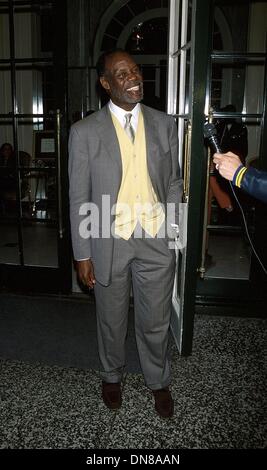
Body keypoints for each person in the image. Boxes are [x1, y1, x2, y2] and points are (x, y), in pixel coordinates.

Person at [68, 49, 183, 418]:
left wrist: (173, 232)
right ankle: (111, 375)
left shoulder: (165, 124)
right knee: (111, 317)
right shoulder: (84, 132)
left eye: (135, 70)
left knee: (156, 318)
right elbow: (78, 195)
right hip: (108, 236)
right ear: (105, 83)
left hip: (154, 236)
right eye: (122, 74)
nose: (133, 77)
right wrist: (82, 254)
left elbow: (174, 181)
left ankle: (158, 381)